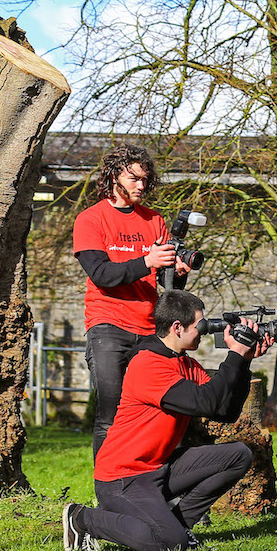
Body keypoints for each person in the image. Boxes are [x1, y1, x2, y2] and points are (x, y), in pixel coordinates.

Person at [61, 289, 272, 551]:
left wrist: (243, 361)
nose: (203, 333)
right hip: (123, 478)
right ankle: (82, 519)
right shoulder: (148, 364)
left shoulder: (187, 364)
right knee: (170, 545)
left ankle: (177, 526)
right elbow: (205, 402)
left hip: (158, 468)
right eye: (200, 326)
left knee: (239, 455)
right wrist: (234, 355)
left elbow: (224, 412)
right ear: (177, 327)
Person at [73, 143, 190, 456]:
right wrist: (147, 262)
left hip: (150, 329)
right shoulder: (90, 220)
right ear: (114, 177)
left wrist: (178, 272)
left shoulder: (154, 221)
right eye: (134, 179)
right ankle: (107, 492)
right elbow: (101, 274)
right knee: (110, 414)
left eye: (146, 180)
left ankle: (150, 485)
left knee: (157, 411)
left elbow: (166, 283)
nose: (141, 186)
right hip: (107, 327)